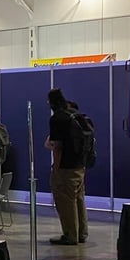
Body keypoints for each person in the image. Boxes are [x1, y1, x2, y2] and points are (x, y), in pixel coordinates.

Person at [45, 89, 88, 245]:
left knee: (65, 202)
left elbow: (57, 147)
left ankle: (70, 235)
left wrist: (56, 169)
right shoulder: (75, 114)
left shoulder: (57, 118)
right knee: (78, 199)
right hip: (80, 165)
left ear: (51, 102)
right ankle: (81, 233)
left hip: (65, 167)